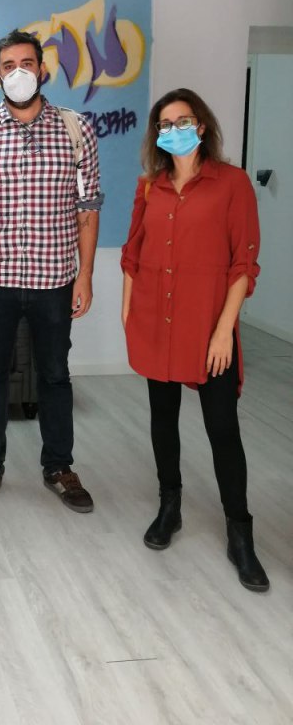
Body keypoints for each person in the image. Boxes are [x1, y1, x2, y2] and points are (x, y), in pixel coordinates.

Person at [121, 87, 269, 592]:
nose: (174, 129)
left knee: (222, 429)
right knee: (162, 420)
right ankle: (170, 507)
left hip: (208, 329)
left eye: (183, 120)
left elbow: (243, 264)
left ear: (201, 126)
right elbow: (133, 256)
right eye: (165, 123)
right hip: (155, 323)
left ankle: (240, 533)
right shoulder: (150, 187)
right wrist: (128, 314)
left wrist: (224, 330)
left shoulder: (232, 184)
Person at [0, 29, 103, 513]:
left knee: (55, 376)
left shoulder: (76, 130)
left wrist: (85, 275)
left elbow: (88, 208)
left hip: (54, 278)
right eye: (8, 65)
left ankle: (59, 466)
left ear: (42, 68)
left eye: (26, 63)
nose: (17, 72)